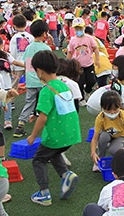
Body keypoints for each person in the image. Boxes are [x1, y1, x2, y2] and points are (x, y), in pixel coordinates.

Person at [26, 50, 81, 207]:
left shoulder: (46, 90)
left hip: (56, 135)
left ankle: (44, 194)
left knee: (39, 159)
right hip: (71, 134)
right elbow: (57, 109)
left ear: (40, 71)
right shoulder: (64, 86)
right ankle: (66, 174)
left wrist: (33, 135)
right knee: (54, 152)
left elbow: (43, 117)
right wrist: (37, 116)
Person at [89, 90, 124, 171]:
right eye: (108, 110)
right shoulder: (100, 118)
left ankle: (123, 151)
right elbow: (95, 138)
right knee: (103, 138)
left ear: (120, 106)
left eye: (115, 109)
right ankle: (99, 159)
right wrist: (93, 153)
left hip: (120, 136)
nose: (112, 112)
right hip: (107, 134)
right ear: (102, 107)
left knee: (113, 150)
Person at [13, 20, 49, 137]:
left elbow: (26, 62)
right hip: (43, 81)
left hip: (30, 80)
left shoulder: (29, 47)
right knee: (47, 103)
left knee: (29, 103)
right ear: (45, 33)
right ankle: (48, 126)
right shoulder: (45, 48)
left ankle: (20, 125)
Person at [67, 18, 99, 102]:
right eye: (76, 28)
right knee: (79, 82)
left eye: (80, 28)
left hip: (89, 63)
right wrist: (67, 63)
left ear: (84, 27)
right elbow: (70, 52)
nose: (78, 30)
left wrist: (97, 60)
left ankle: (87, 91)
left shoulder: (89, 38)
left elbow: (95, 48)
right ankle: (82, 98)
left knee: (92, 80)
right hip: (78, 65)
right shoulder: (73, 40)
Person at [9, 14, 34, 88]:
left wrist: (12, 67)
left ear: (14, 26)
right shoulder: (31, 37)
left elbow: (12, 53)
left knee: (13, 86)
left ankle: (10, 99)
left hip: (17, 64)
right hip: (29, 63)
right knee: (30, 85)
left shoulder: (14, 38)